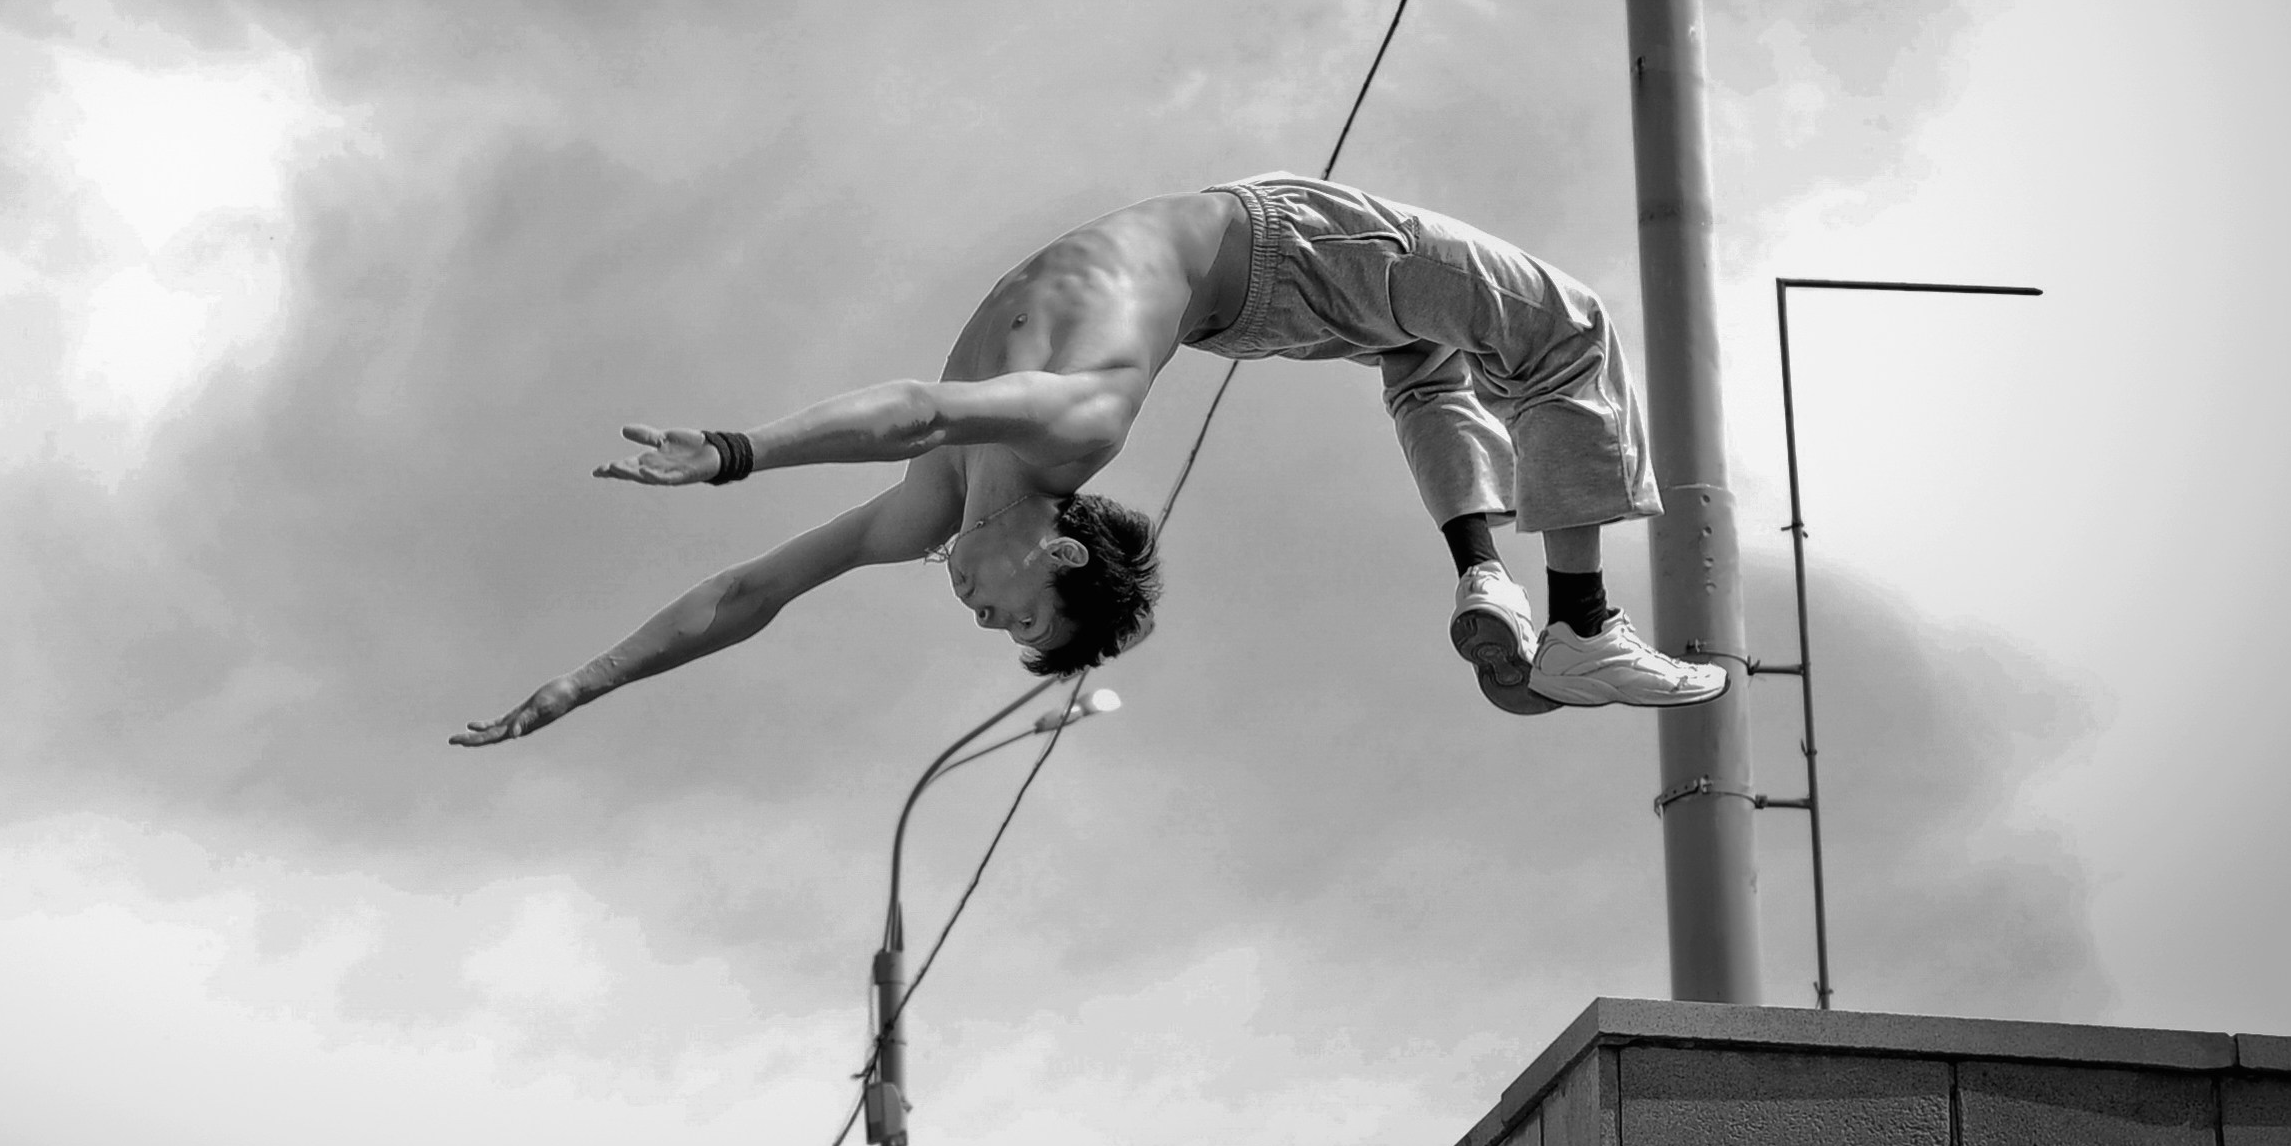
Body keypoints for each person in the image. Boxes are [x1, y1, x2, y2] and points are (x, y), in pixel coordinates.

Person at [450, 171, 1726, 747]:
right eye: (1013, 611)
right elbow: (907, 405)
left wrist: (582, 683)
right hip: (1296, 247)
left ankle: (1487, 582)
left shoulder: (936, 513)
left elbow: (754, 594)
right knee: (1570, 333)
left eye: (991, 623)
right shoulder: (1070, 431)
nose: (974, 605)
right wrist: (736, 451)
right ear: (1057, 543)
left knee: (1430, 366)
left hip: (1266, 308)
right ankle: (1580, 620)